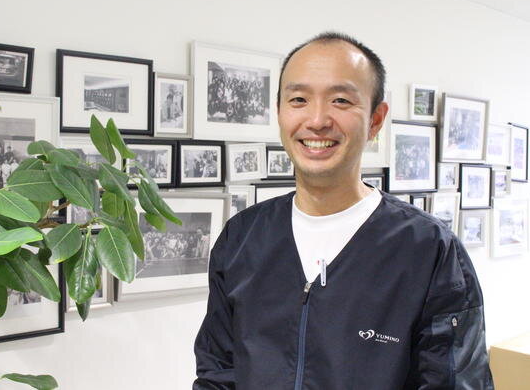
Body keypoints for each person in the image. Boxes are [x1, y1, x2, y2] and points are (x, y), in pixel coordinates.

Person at [193, 32, 493, 389]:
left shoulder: (428, 249)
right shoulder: (243, 237)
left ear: (375, 119)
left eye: (340, 100)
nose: (317, 120)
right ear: (279, 113)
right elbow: (217, 373)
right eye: (299, 99)